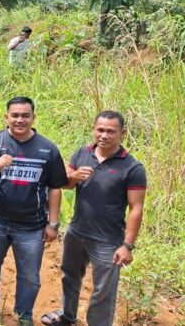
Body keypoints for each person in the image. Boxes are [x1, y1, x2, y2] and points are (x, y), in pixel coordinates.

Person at [41, 111, 146, 326]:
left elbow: (136, 208)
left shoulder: (132, 167)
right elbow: (65, 184)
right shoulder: (82, 153)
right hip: (77, 231)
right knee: (69, 277)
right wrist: (73, 175)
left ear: (122, 133)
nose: (104, 135)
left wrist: (127, 245)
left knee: (103, 291)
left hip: (108, 240)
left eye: (110, 131)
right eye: (100, 130)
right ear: (93, 129)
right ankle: (67, 316)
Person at [0, 96, 68, 326]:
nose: (20, 120)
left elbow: (55, 188)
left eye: (25, 115)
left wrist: (53, 223)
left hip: (32, 226)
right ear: (6, 117)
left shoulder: (48, 149)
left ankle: (24, 315)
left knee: (30, 276)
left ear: (33, 117)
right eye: (15, 115)